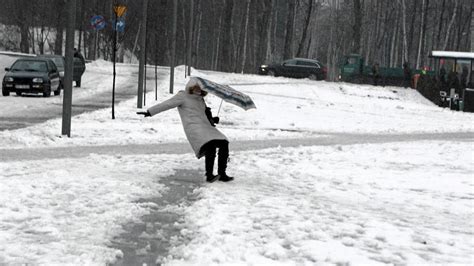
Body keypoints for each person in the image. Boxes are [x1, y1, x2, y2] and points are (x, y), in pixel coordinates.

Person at [137, 78, 234, 183]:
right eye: (196, 87)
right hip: (193, 127)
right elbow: (167, 104)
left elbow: (204, 115)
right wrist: (150, 112)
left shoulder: (200, 99)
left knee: (224, 143)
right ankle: (209, 175)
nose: (198, 89)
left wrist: (213, 119)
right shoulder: (183, 96)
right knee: (210, 146)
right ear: (190, 87)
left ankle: (222, 174)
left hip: (206, 127)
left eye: (200, 88)